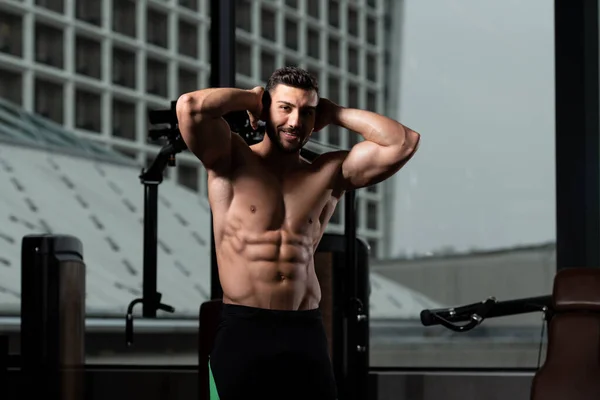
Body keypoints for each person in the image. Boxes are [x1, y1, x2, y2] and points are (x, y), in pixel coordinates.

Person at [176, 66, 420, 400]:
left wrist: (334, 113)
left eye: (306, 112)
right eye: (285, 108)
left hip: (303, 331)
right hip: (243, 330)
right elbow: (190, 107)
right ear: (266, 109)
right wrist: (250, 97)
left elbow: (404, 142)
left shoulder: (328, 174)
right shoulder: (230, 160)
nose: (295, 122)